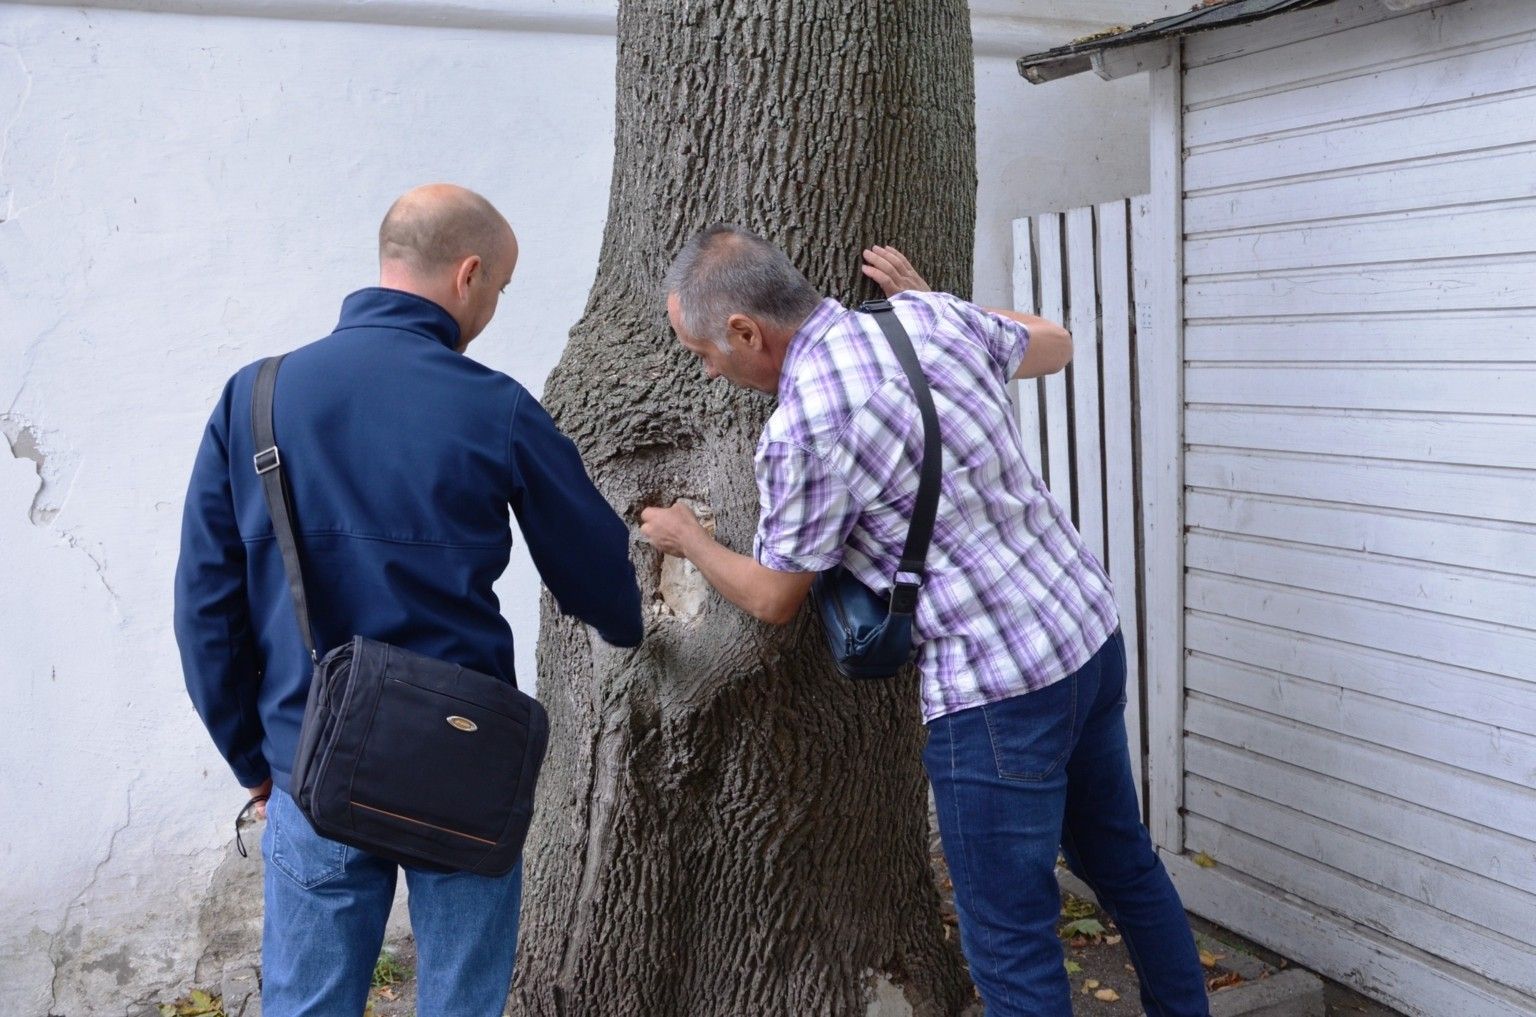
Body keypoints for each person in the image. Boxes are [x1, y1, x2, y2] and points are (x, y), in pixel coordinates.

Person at [640, 224, 1209, 1017]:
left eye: (703, 351)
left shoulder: (802, 425)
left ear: (746, 331)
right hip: (1084, 631)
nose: (707, 369)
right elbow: (1058, 344)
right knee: (1127, 868)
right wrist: (933, 299)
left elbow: (775, 597)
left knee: (1011, 943)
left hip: (994, 696)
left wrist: (689, 540)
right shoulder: (926, 318)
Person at [174, 184, 643, 1017]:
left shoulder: (255, 398)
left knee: (308, 1004)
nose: (493, 307)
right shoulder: (493, 406)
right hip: (464, 761)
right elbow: (602, 580)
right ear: (468, 274)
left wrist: (257, 760)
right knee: (462, 1003)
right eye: (498, 288)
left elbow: (205, 610)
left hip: (305, 751)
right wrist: (633, 618)